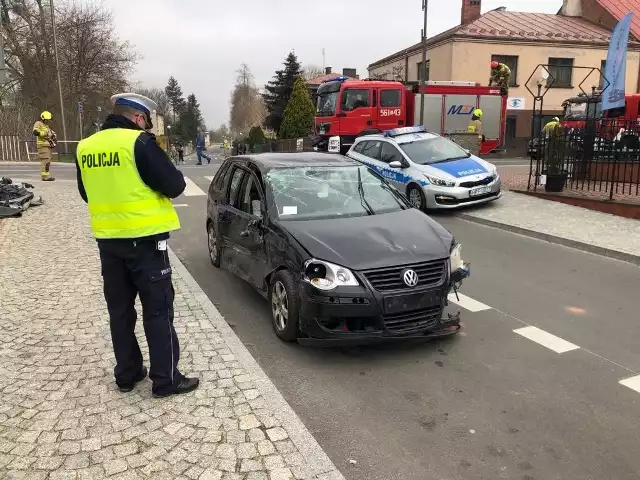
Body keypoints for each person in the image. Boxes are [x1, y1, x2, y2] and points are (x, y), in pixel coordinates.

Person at [75, 92, 199, 398]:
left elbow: (86, 193)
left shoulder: (85, 147)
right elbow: (175, 185)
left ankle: (127, 374)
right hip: (146, 243)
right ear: (139, 118)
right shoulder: (139, 143)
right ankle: (165, 380)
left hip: (108, 243)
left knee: (120, 311)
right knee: (157, 310)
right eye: (148, 122)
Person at [33, 111, 57, 181]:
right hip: (42, 145)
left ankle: (46, 175)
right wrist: (45, 133)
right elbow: (35, 132)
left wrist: (53, 134)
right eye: (47, 120)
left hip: (47, 145)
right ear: (43, 118)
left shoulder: (46, 126)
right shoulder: (38, 123)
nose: (48, 121)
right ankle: (44, 176)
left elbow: (50, 133)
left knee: (48, 160)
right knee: (45, 160)